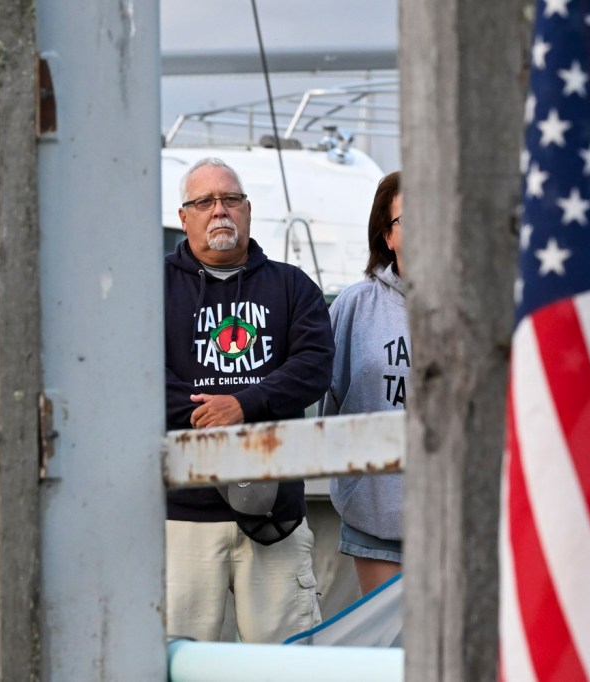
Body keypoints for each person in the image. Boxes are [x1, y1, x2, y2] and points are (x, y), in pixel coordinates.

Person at [164, 157, 334, 643]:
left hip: (276, 511)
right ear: (184, 217)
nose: (220, 210)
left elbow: (314, 366)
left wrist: (243, 404)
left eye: (231, 199)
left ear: (248, 209)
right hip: (184, 513)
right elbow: (134, 373)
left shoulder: (292, 285)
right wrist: (207, 414)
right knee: (176, 662)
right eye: (205, 202)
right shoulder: (152, 288)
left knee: (285, 663)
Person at [321, 171, 409, 594]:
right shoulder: (354, 305)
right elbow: (326, 400)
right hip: (376, 522)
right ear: (387, 235)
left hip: (461, 518)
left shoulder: (479, 308)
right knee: (389, 636)